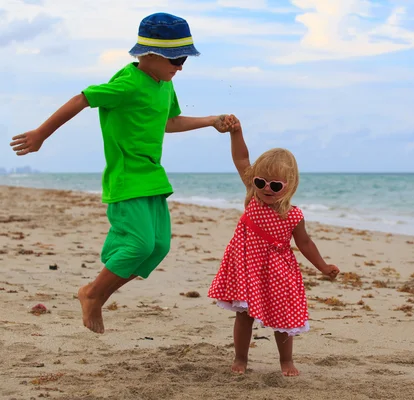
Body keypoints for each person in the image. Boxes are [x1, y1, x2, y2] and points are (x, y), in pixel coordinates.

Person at [9, 12, 236, 334]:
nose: (181, 66)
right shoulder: (128, 83)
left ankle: (96, 294)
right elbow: (82, 98)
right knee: (140, 245)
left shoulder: (163, 85)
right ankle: (91, 293)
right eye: (176, 59)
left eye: (185, 59)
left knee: (158, 247)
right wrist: (42, 134)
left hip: (153, 177)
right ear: (150, 55)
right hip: (127, 177)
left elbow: (169, 123)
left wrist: (211, 120)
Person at [208, 119, 340, 376]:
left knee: (283, 317)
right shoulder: (252, 197)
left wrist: (323, 266)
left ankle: (286, 361)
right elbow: (241, 158)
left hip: (278, 270)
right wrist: (236, 132)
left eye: (276, 185)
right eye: (261, 182)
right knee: (244, 314)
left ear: (289, 186)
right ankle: (241, 357)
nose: (266, 189)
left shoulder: (293, 215)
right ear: (253, 181)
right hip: (247, 266)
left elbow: (305, 243)